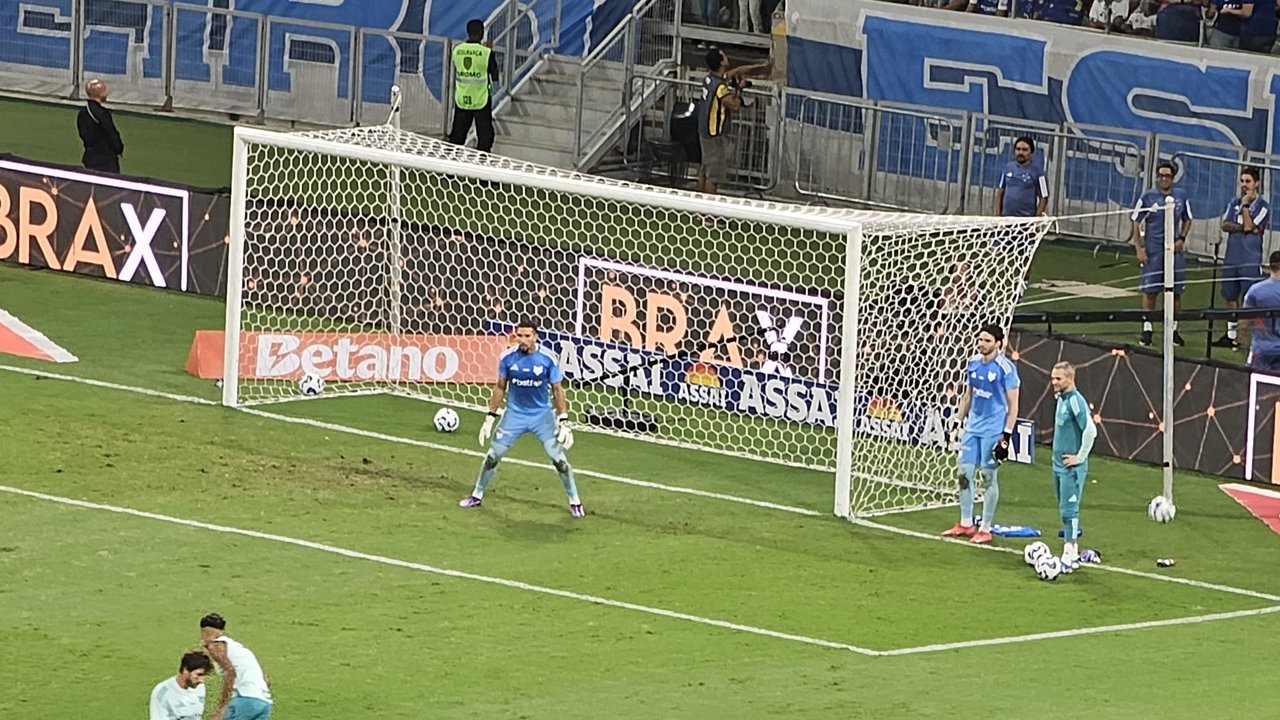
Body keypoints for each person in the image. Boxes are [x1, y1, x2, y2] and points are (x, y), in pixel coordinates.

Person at [459, 318, 583, 517]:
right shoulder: (508, 357)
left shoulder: (548, 358)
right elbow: (500, 387)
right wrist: (490, 417)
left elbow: (557, 389)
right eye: (519, 336)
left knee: (559, 460)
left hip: (541, 416)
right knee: (493, 456)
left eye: (527, 336)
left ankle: (575, 501)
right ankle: (477, 494)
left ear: (536, 337)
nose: (522, 340)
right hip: (514, 415)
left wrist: (564, 420)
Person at [942, 324, 1021, 545]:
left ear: (998, 343)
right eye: (980, 340)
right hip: (972, 427)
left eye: (987, 340)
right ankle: (966, 523)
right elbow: (968, 396)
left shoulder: (1006, 368)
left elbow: (1014, 405)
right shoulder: (973, 363)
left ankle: (985, 528)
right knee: (963, 473)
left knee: (988, 476)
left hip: (993, 429)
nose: (982, 344)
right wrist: (957, 422)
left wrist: (1006, 435)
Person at [1131, 161, 1194, 347]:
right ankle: (1147, 329)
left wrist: (1181, 239)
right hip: (1154, 251)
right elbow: (1136, 221)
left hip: (1173, 251)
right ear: (1157, 177)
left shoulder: (1181, 196)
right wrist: (1139, 248)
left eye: (1168, 176)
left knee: (1175, 292)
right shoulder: (1148, 197)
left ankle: (1173, 330)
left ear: (1173, 178)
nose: (1164, 179)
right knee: (1150, 292)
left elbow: (1188, 219)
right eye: (1161, 176)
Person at [695, 49, 770, 201]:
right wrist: (740, 88)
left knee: (705, 170)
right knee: (713, 176)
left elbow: (736, 71)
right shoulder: (720, 87)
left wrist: (759, 67)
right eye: (724, 55)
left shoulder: (710, 79)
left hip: (705, 132)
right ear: (721, 62)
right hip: (714, 134)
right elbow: (734, 105)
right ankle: (707, 215)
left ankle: (700, 211)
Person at [1214, 167, 1269, 350]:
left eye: (1248, 181)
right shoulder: (1233, 202)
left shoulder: (1263, 207)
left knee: (1249, 299)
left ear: (1257, 183)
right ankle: (1230, 335)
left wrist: (1245, 206)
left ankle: (1242, 337)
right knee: (1230, 296)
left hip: (1250, 259)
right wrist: (1243, 226)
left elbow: (1249, 226)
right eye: (1242, 181)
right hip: (1232, 257)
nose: (1244, 185)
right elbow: (1225, 225)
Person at [1049, 361, 1096, 572]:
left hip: (1071, 468)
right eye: (1052, 378)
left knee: (1070, 511)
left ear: (1070, 378)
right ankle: (1071, 548)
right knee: (1063, 509)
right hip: (1058, 465)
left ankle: (1071, 551)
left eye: (1058, 379)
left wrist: (1080, 457)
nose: (1054, 382)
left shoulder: (1076, 401)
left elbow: (1090, 430)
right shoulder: (1062, 398)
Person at [199, 613, 273, 720]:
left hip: (244, 700)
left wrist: (222, 705)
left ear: (203, 632)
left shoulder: (215, 645)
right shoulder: (240, 649)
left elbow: (230, 671)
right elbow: (266, 680)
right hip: (264, 703)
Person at [448, 19, 500, 153]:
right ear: (482, 33)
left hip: (462, 98)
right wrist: (487, 50)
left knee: (457, 136)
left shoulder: (457, 50)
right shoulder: (486, 53)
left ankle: (448, 169)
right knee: (485, 136)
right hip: (481, 99)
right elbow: (494, 74)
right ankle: (480, 166)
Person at [76, 78, 124, 173]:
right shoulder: (102, 114)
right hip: (106, 160)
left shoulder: (83, 113)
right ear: (100, 93)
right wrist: (119, 149)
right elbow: (112, 133)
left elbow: (82, 134)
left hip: (90, 156)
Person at [1243, 250, 1280, 372]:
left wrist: (1239, 338)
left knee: (1254, 385)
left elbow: (1244, 320)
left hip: (1261, 349)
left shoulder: (1256, 290)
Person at [995, 137, 1050, 217]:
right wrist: (997, 215)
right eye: (1018, 149)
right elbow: (1000, 192)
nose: (1021, 152)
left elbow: (1044, 197)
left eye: (1025, 150)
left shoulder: (1039, 173)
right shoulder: (1008, 167)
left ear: (1032, 153)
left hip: (1026, 222)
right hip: (1006, 220)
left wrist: (1036, 220)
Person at [149, 650, 213, 720]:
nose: (202, 680)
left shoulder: (199, 687)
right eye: (199, 674)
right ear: (185, 670)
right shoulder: (162, 693)